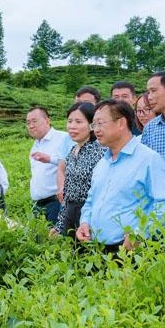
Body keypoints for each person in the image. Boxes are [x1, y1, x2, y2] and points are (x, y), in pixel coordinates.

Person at [77, 100, 165, 253]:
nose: (96, 130)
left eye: (100, 123)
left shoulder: (148, 159)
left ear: (121, 123)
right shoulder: (102, 163)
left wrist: (140, 234)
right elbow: (91, 200)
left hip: (131, 251)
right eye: (94, 125)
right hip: (97, 248)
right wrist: (84, 223)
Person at [54, 102, 106, 238]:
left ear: (92, 125)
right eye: (70, 121)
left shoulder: (100, 151)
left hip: (90, 216)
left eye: (78, 122)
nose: (72, 126)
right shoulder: (72, 152)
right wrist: (59, 225)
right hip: (71, 215)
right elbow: (68, 194)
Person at [26, 107, 71, 225]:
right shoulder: (35, 145)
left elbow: (73, 162)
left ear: (47, 121)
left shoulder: (63, 138)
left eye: (34, 121)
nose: (31, 126)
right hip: (38, 204)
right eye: (28, 123)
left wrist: (50, 159)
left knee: (55, 235)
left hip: (56, 202)